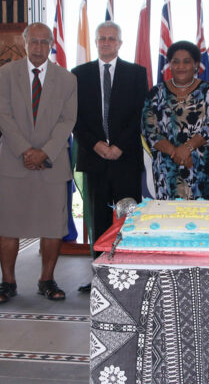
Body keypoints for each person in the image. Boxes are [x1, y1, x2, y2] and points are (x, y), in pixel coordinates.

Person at [0, 23, 77, 304]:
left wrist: (44, 152)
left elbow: (68, 120)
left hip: (52, 162)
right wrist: (26, 151)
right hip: (15, 162)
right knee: (9, 225)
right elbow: (3, 115)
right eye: (34, 41)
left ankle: (46, 280)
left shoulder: (67, 79)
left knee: (52, 226)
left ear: (51, 44)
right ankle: (7, 282)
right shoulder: (6, 74)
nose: (39, 47)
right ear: (24, 42)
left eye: (44, 42)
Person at [72, 21, 148, 292]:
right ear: (95, 42)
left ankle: (130, 275)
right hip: (94, 159)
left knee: (129, 218)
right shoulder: (79, 74)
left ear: (120, 43)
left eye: (111, 38)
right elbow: (74, 116)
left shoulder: (136, 73)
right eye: (101, 38)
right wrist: (96, 145)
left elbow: (141, 114)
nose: (106, 42)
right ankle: (100, 278)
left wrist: (118, 146)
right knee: (99, 221)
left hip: (125, 158)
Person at [142, 40, 209, 200]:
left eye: (186, 62)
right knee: (169, 213)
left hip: (200, 167)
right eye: (176, 62)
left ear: (196, 65)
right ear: (170, 65)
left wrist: (187, 148)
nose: (181, 66)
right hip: (166, 168)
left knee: (202, 213)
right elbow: (149, 129)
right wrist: (176, 152)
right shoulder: (156, 93)